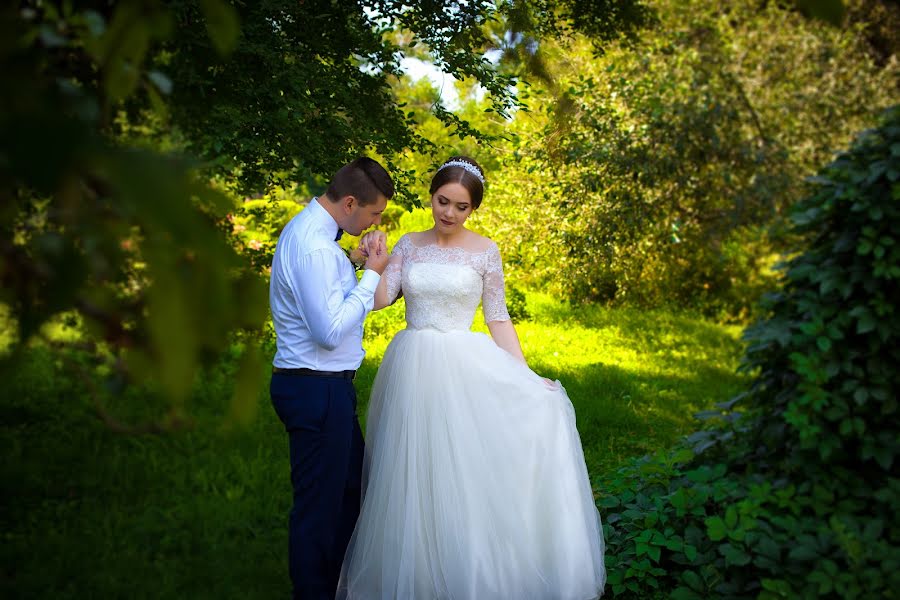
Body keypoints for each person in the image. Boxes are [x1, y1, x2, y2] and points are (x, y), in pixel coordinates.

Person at [337, 156, 606, 599]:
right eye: (443, 201)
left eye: (460, 207)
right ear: (431, 196)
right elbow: (381, 300)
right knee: (410, 470)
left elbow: (498, 319)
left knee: (459, 469)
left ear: (472, 209)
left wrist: (525, 376)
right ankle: (416, 573)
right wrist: (371, 263)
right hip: (412, 365)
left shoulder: (485, 251)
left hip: (463, 366)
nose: (449, 213)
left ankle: (466, 569)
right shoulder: (409, 243)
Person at [269, 157, 394, 600]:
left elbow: (323, 294)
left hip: (321, 387)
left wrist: (354, 263)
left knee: (348, 494)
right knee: (318, 512)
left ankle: (341, 587)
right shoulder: (316, 248)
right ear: (349, 202)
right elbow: (328, 331)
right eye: (374, 213)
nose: (376, 222)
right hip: (315, 386)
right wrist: (373, 275)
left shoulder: (318, 237)